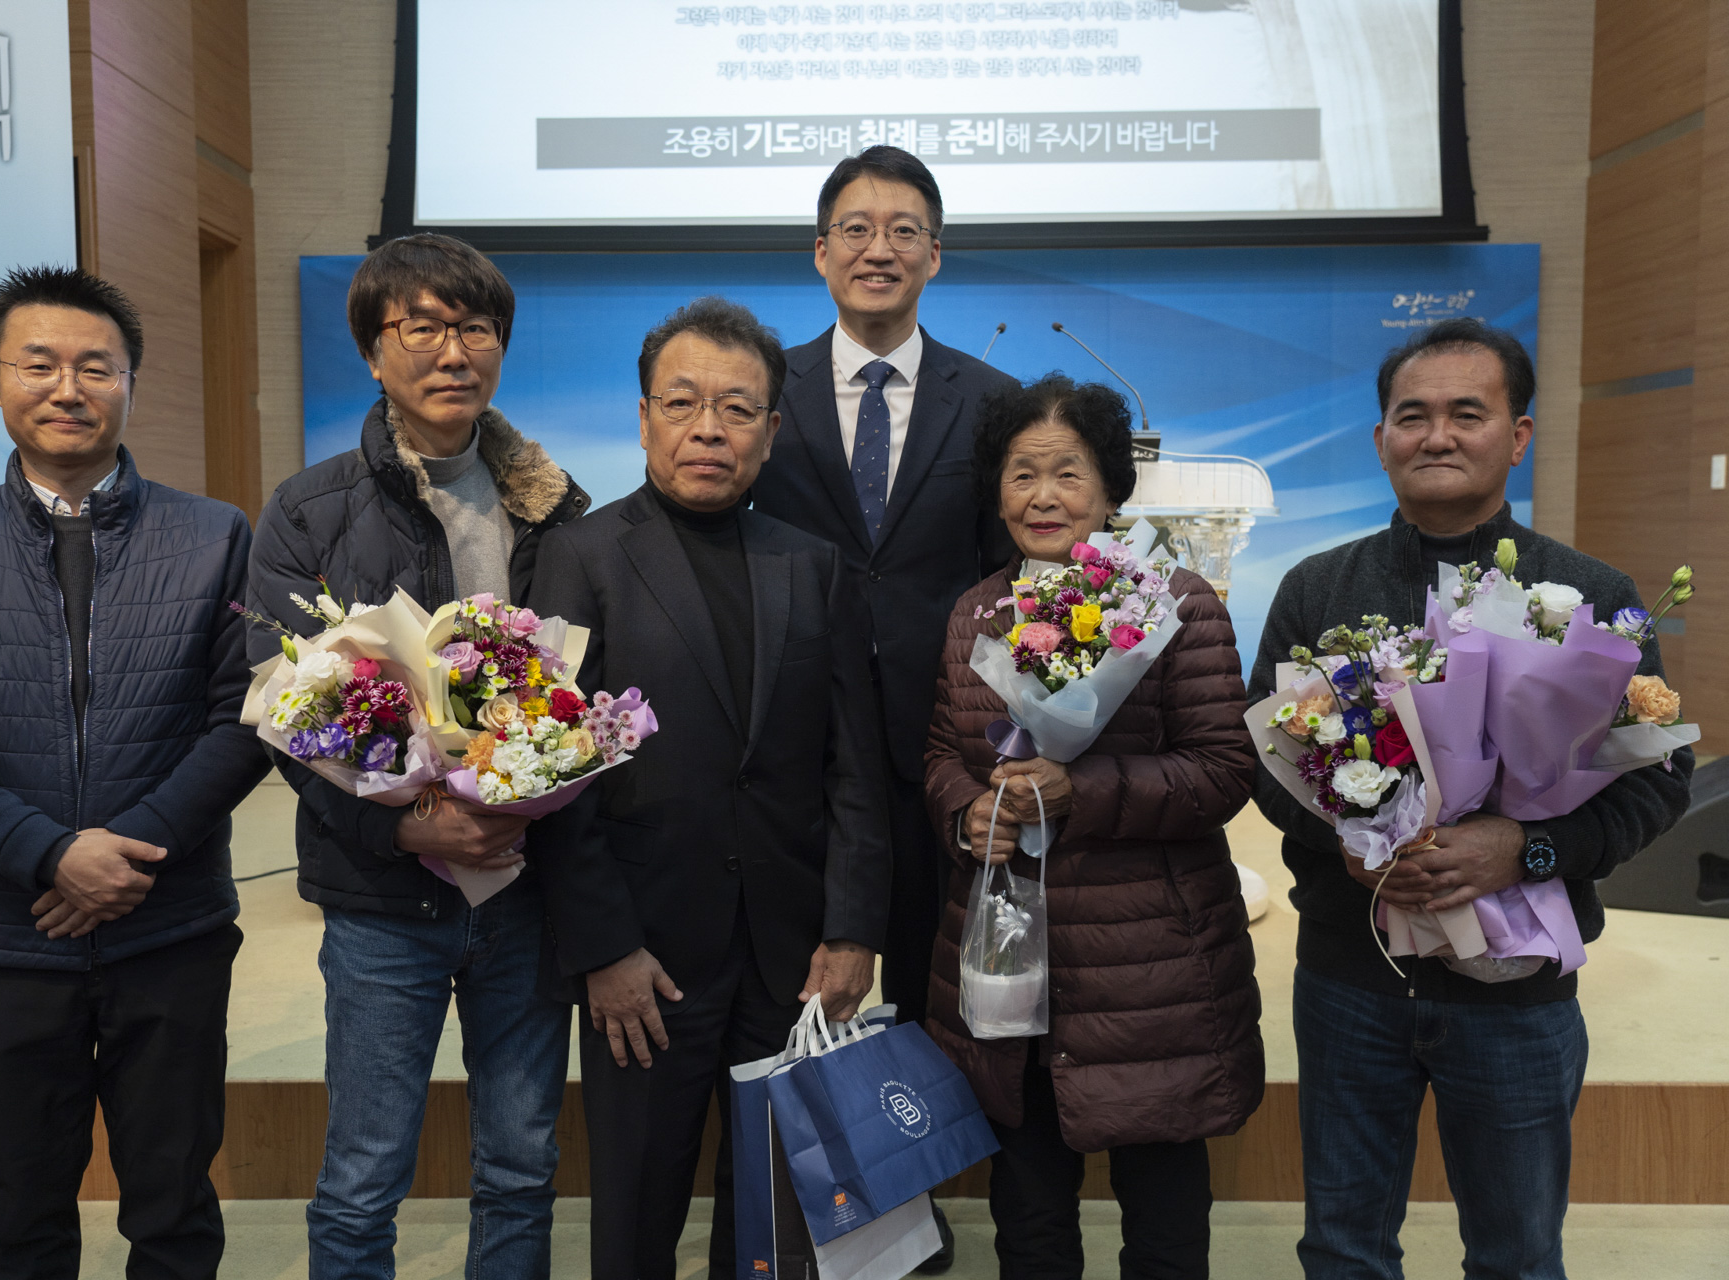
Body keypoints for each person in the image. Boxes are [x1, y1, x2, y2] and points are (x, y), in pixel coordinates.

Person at [1249, 317, 1693, 1279]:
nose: (1437, 436)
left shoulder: (1589, 595)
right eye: (1412, 416)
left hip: (1519, 992)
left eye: (1467, 413)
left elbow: (1656, 784)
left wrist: (1524, 851)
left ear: (1517, 435)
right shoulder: (1318, 588)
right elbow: (1264, 764)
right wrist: (1351, 844)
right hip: (1351, 977)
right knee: (1343, 1249)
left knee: (1517, 1255)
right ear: (1381, 439)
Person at [0, 265, 269, 1277]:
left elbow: (246, 720)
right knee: (19, 1208)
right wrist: (51, 855)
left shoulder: (215, 534)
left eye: (96, 366)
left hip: (170, 926)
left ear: (130, 381)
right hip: (10, 934)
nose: (67, 387)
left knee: (174, 1204)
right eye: (38, 364)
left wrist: (130, 852)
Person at [245, 234, 589, 1278]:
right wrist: (397, 824)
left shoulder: (555, 509)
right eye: (423, 327)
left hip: (523, 886)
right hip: (380, 897)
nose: (453, 351)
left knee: (522, 1164)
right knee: (363, 1173)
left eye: (475, 328)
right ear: (373, 349)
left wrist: (529, 793)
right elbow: (278, 704)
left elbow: (584, 687)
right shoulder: (309, 509)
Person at [527, 296, 890, 1280]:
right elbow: (551, 775)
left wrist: (853, 929)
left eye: (737, 408)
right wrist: (604, 947)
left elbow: (855, 766)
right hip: (644, 955)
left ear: (770, 431)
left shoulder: (812, 565)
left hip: (793, 954)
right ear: (645, 417)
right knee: (637, 1207)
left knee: (777, 1218)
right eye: (682, 402)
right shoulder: (580, 557)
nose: (708, 429)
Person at [922, 374, 1265, 1279]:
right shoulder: (976, 612)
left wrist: (1082, 789)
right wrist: (966, 813)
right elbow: (942, 755)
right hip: (1010, 959)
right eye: (1021, 473)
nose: (1043, 496)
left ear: (1112, 488)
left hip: (1151, 970)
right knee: (1029, 1219)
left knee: (1163, 1224)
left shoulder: (1176, 604)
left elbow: (1223, 770)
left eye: (1067, 473)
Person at [749, 145, 1018, 1267]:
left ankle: (913, 1197)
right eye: (856, 229)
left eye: (905, 229)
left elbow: (1012, 575)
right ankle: (803, 1211)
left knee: (931, 981)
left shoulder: (991, 400)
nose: (879, 248)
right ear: (820, 253)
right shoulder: (762, 388)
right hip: (791, 742)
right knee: (795, 975)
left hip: (940, 745)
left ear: (935, 256)